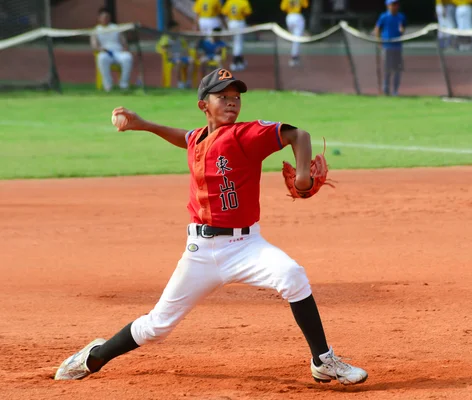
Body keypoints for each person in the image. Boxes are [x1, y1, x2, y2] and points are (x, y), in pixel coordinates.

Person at [53, 67, 369, 386]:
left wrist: (303, 174)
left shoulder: (247, 134)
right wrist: (143, 125)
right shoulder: (199, 138)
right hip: (200, 253)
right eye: (223, 96)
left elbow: (298, 135)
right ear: (204, 104)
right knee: (157, 327)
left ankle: (323, 360)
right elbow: (184, 138)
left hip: (247, 246)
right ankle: (93, 357)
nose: (232, 102)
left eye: (236, 97)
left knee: (292, 275)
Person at [91, 7, 133, 92]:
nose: (106, 19)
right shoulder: (95, 30)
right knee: (101, 58)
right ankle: (108, 85)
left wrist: (125, 48)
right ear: (99, 18)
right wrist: (100, 49)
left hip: (118, 52)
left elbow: (124, 42)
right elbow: (94, 45)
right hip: (105, 52)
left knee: (128, 57)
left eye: (107, 17)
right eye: (103, 17)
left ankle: (123, 84)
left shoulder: (116, 27)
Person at [374, 0, 406, 97]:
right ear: (388, 6)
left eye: (396, 4)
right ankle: (386, 89)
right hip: (387, 46)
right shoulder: (384, 16)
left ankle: (395, 90)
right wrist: (379, 41)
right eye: (393, 4)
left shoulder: (401, 17)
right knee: (387, 69)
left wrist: (402, 30)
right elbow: (377, 29)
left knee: (397, 70)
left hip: (397, 46)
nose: (395, 6)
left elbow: (403, 29)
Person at [157, 21, 192, 89]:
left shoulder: (180, 38)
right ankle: (180, 83)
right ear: (171, 29)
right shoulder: (165, 38)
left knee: (191, 61)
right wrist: (170, 53)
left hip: (181, 56)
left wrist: (185, 53)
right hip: (172, 58)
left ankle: (188, 82)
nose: (178, 30)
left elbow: (185, 48)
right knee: (179, 62)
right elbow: (163, 49)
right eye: (176, 28)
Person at [222, 0, 252, 71]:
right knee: (238, 43)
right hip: (239, 22)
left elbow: (224, 12)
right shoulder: (243, 2)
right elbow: (248, 13)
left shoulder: (229, 2)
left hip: (231, 23)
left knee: (236, 42)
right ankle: (235, 63)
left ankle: (241, 61)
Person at [280, 0, 309, 67]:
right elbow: (306, 5)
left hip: (289, 17)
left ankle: (295, 55)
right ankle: (294, 57)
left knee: (294, 38)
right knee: (297, 39)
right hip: (297, 16)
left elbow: (283, 8)